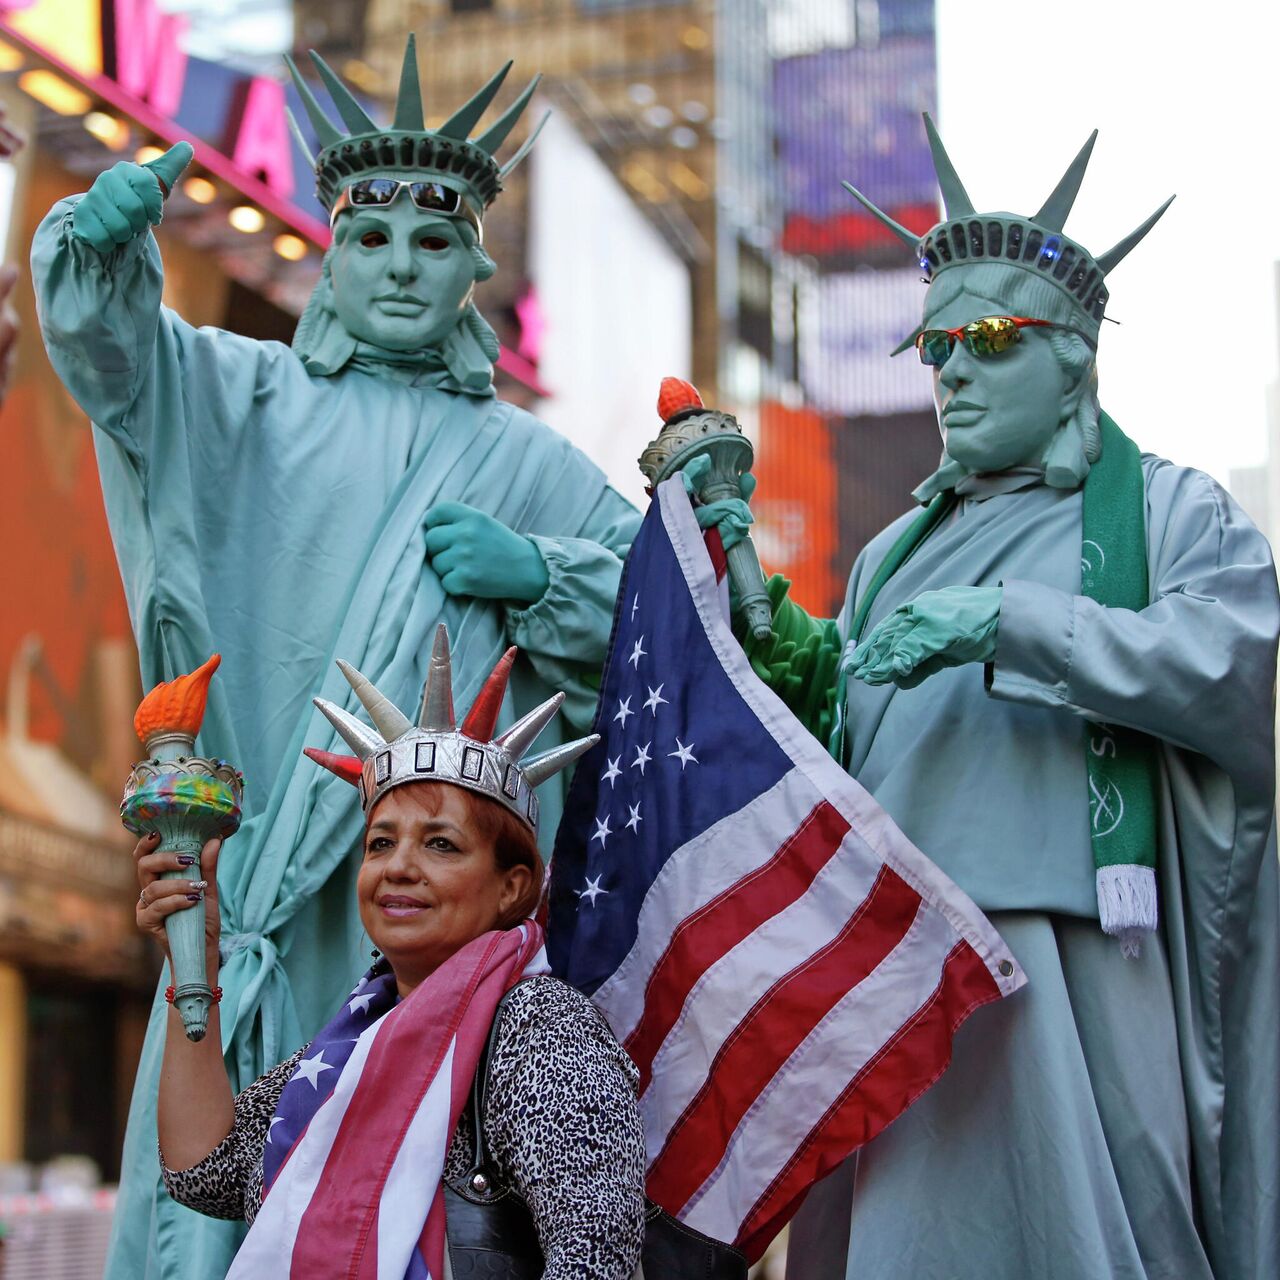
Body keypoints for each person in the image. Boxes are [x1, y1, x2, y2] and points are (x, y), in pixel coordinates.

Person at [31, 39, 640, 1278]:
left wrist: (548, 576)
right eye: (370, 240)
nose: (402, 268)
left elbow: (678, 633)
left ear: (477, 263)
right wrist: (90, 254)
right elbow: (113, 360)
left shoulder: (540, 471)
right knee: (222, 1200)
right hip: (247, 923)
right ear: (330, 254)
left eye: (433, 242)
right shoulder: (236, 393)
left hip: (440, 950)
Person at [734, 118, 1280, 1279]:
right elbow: (847, 709)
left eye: (987, 339)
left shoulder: (1174, 512)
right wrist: (762, 624)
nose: (953, 374)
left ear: (1075, 353)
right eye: (933, 350)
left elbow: (1225, 661)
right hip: (896, 976)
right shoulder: (885, 553)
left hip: (1076, 963)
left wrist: (1004, 620)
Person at [134, 627, 645, 1277]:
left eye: (440, 845)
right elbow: (203, 1173)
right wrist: (194, 967)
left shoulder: (539, 1025)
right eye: (380, 843)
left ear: (511, 886)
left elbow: (597, 1262)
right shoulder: (359, 1037)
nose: (397, 867)